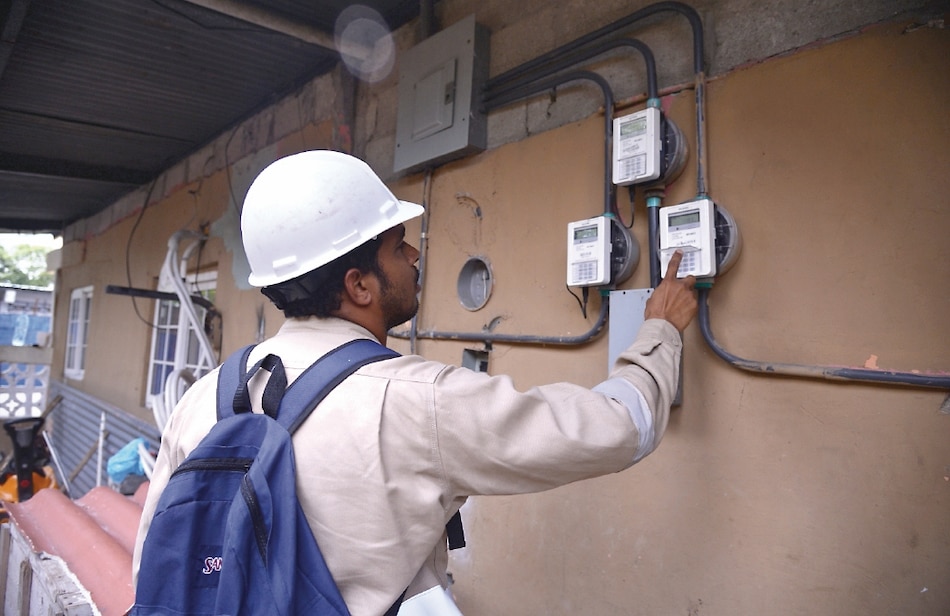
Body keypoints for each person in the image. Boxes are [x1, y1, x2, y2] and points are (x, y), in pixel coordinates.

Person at [133, 150, 698, 615]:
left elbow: (154, 566)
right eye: (397, 243)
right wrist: (660, 330)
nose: (414, 253)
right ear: (359, 285)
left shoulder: (201, 397)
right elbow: (620, 429)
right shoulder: (419, 402)